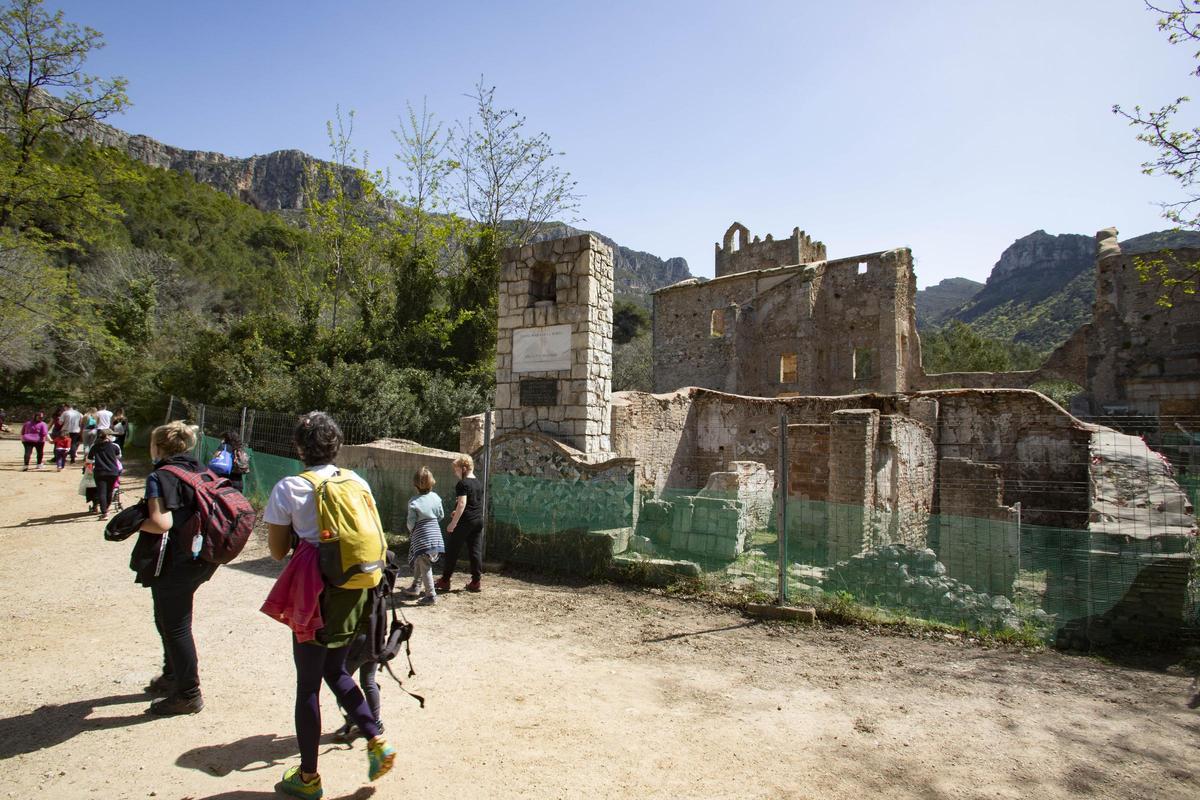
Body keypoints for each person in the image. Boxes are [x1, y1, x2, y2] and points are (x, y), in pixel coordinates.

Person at [263, 412, 396, 798]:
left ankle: (308, 780)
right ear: (336, 446)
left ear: (300, 448)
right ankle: (375, 738)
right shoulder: (356, 481)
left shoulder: (290, 486)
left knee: (307, 684)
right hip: (355, 589)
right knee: (335, 668)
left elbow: (275, 551)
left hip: (315, 591)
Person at [130, 421, 218, 715]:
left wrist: (130, 522)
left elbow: (161, 522)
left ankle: (188, 693)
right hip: (202, 557)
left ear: (158, 446)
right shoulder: (200, 469)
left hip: (176, 560)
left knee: (176, 625)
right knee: (167, 617)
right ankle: (172, 675)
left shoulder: (160, 476)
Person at [435, 455, 485, 594]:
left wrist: (453, 523)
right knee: (475, 551)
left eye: (456, 470)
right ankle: (476, 582)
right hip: (477, 521)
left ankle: (445, 580)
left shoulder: (463, 484)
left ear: (464, 468)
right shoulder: (478, 483)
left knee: (452, 550)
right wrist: (456, 512)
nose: (455, 473)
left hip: (465, 522)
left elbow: (462, 504)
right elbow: (471, 504)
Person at [404, 466, 445, 606]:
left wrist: (412, 531)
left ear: (415, 485)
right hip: (436, 537)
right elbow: (441, 515)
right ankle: (415, 586)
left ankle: (431, 595)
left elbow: (410, 523)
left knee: (425, 565)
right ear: (432, 483)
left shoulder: (414, 502)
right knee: (420, 561)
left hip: (422, 538)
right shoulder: (436, 498)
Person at [86, 429, 123, 520]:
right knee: (110, 491)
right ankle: (106, 508)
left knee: (102, 492)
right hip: (113, 471)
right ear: (108, 436)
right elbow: (118, 456)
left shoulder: (95, 447)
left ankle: (104, 513)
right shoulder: (115, 446)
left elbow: (89, 460)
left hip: (100, 471)